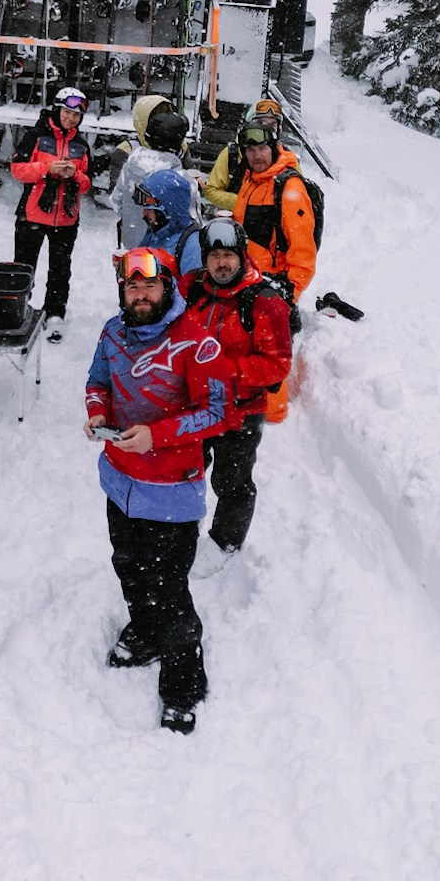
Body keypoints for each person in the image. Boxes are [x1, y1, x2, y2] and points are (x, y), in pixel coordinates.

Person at [85, 247, 226, 733]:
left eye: (149, 285)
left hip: (171, 491)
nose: (140, 294)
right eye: (132, 286)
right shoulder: (112, 332)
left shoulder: (195, 340)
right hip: (121, 480)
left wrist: (157, 434)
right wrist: (98, 412)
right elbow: (97, 381)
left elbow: (217, 412)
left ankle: (184, 683)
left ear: (167, 286)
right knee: (127, 565)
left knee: (169, 589)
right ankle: (144, 631)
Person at [179, 215, 292, 556]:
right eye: (215, 256)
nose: (222, 263)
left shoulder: (263, 301)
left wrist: (223, 371)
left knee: (232, 483)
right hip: (195, 407)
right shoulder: (194, 289)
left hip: (240, 412)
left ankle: (225, 545)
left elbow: (277, 365)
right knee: (184, 473)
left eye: (229, 255)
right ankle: (179, 531)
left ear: (242, 256)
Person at [10, 85, 92, 341]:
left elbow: (87, 184)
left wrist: (74, 174)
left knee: (60, 268)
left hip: (66, 218)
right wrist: (47, 168)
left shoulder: (81, 144)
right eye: (66, 112)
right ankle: (18, 307)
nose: (70, 118)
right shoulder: (35, 135)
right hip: (32, 214)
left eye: (76, 115)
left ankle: (55, 313)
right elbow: (17, 169)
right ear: (57, 110)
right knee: (24, 266)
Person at [232, 118, 318, 304]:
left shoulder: (289, 188)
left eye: (262, 148)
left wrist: (287, 296)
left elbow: (303, 250)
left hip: (272, 285)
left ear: (273, 148)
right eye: (251, 150)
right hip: (244, 278)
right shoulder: (250, 180)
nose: (257, 155)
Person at [110, 106, 191, 248]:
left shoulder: (130, 165)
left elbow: (116, 201)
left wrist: (134, 219)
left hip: (131, 244)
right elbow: (190, 219)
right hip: (166, 251)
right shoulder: (180, 178)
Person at [204, 98, 292, 212]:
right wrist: (244, 202)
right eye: (262, 123)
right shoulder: (232, 154)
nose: (268, 129)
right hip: (237, 222)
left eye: (273, 124)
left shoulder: (286, 158)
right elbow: (211, 190)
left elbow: (296, 198)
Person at [138, 166, 202, 277]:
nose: (144, 214)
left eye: (150, 209)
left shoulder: (192, 247)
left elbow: (191, 291)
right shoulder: (157, 232)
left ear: (167, 210)